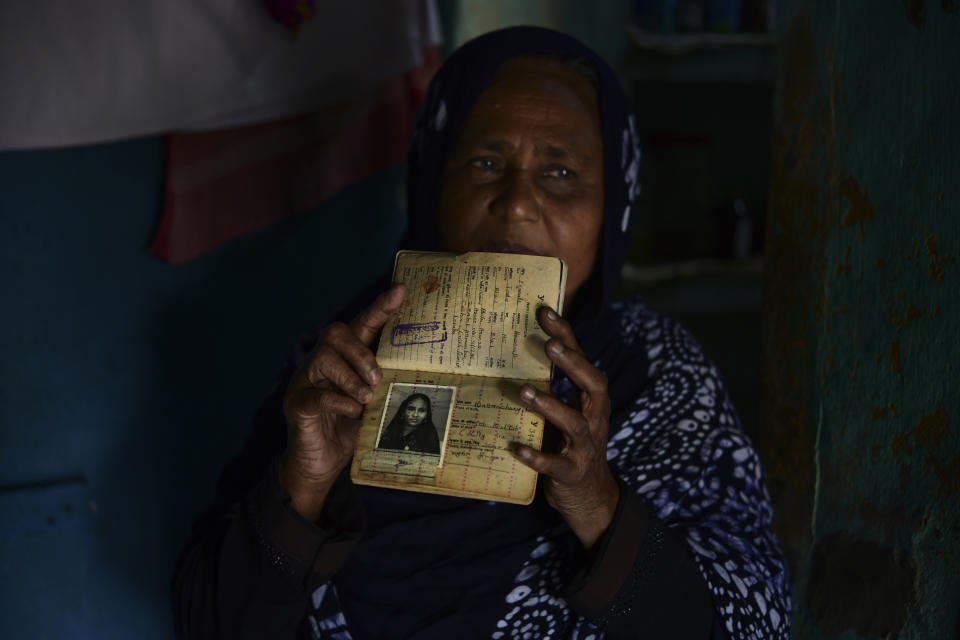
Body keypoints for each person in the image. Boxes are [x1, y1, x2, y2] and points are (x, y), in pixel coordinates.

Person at [172, 27, 790, 640]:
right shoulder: (340, 366)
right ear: (434, 181)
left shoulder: (656, 373)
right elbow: (211, 626)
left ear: (614, 211)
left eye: (561, 173)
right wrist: (304, 483)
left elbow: (749, 626)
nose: (517, 203)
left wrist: (598, 505)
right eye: (486, 163)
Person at [376, 392, 441, 454]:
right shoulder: (391, 433)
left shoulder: (430, 438)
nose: (415, 414)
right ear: (403, 411)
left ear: (427, 414)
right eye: (411, 409)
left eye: (421, 410)